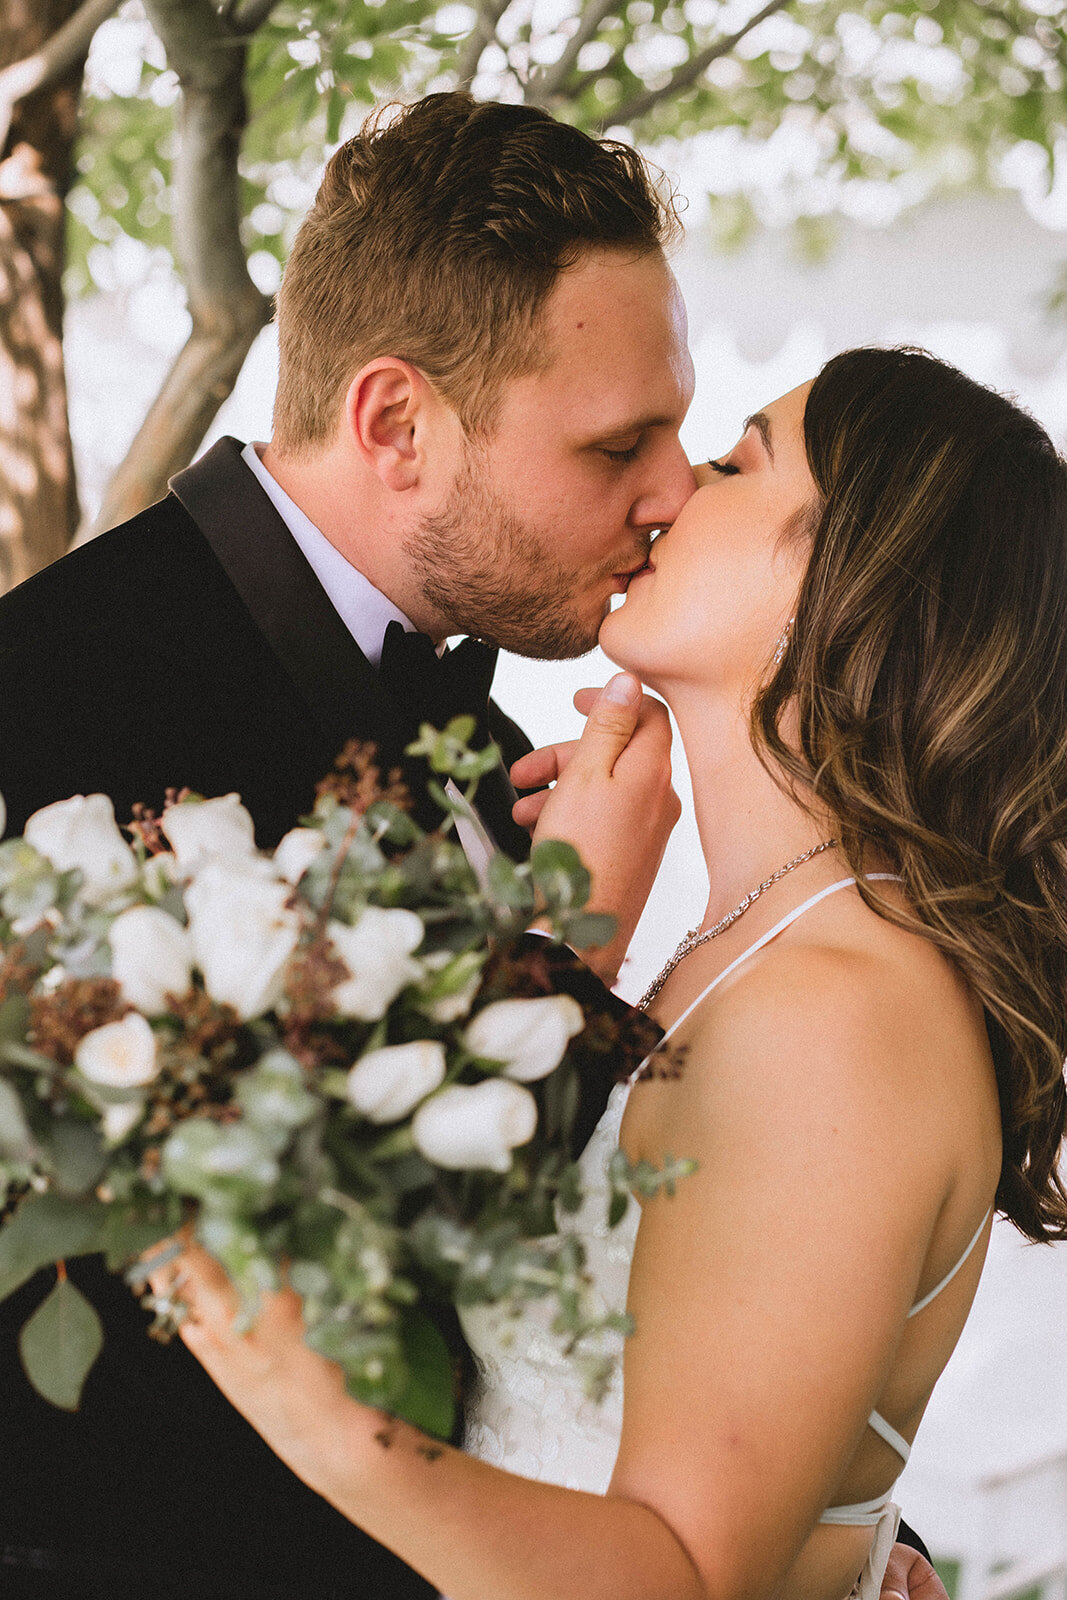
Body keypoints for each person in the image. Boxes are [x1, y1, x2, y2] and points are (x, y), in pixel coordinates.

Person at [151, 343, 1059, 1599]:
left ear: (843, 581)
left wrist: (320, 1418)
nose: (673, 487)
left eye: (736, 462)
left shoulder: (839, 1011)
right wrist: (570, 935)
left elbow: (679, 1574)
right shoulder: (751, 949)